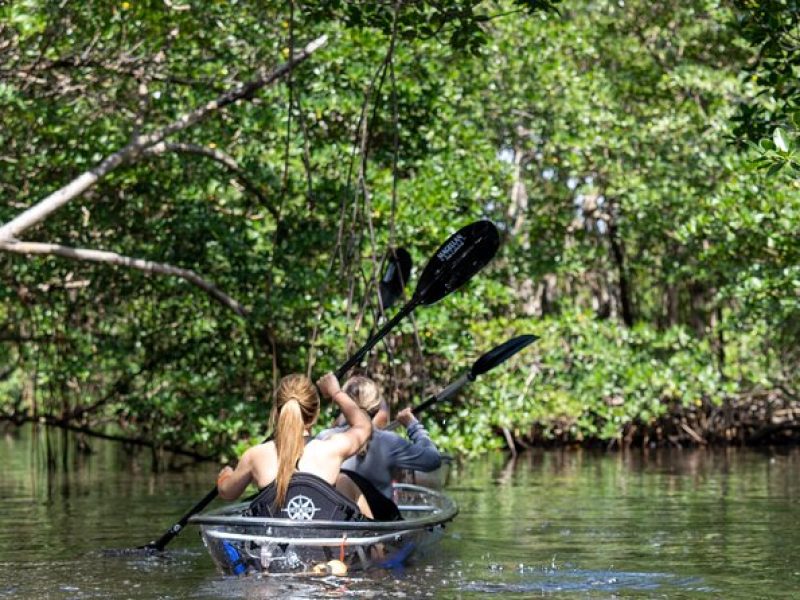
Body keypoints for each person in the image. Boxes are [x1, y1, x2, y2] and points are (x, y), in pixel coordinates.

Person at [216, 372, 373, 519]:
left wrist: (225, 475)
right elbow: (363, 426)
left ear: (276, 413)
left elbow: (227, 492)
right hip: (321, 545)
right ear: (316, 414)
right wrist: (336, 393)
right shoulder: (332, 449)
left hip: (273, 546)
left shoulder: (255, 456)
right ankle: (377, 546)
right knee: (345, 481)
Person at [318, 375, 442, 520]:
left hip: (338, 520)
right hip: (378, 525)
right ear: (376, 408)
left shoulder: (324, 438)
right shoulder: (390, 442)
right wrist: (412, 426)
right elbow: (433, 460)